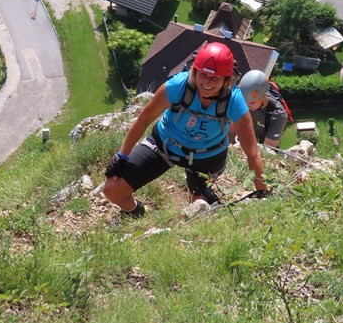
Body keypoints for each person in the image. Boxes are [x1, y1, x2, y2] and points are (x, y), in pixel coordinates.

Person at [103, 42, 269, 218]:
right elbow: (144, 119)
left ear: (226, 80)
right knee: (113, 189)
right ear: (194, 71)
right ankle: (136, 212)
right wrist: (122, 156)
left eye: (215, 78)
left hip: (207, 157)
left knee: (198, 209)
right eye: (203, 75)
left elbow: (252, 152)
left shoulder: (234, 101)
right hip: (165, 144)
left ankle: (199, 195)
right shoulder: (177, 86)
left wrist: (263, 193)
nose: (207, 83)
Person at [232, 70, 288, 148]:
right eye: (244, 102)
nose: (247, 106)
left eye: (252, 103)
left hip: (261, 150)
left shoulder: (278, 116)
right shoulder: (240, 100)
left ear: (264, 96)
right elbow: (231, 130)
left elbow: (268, 149)